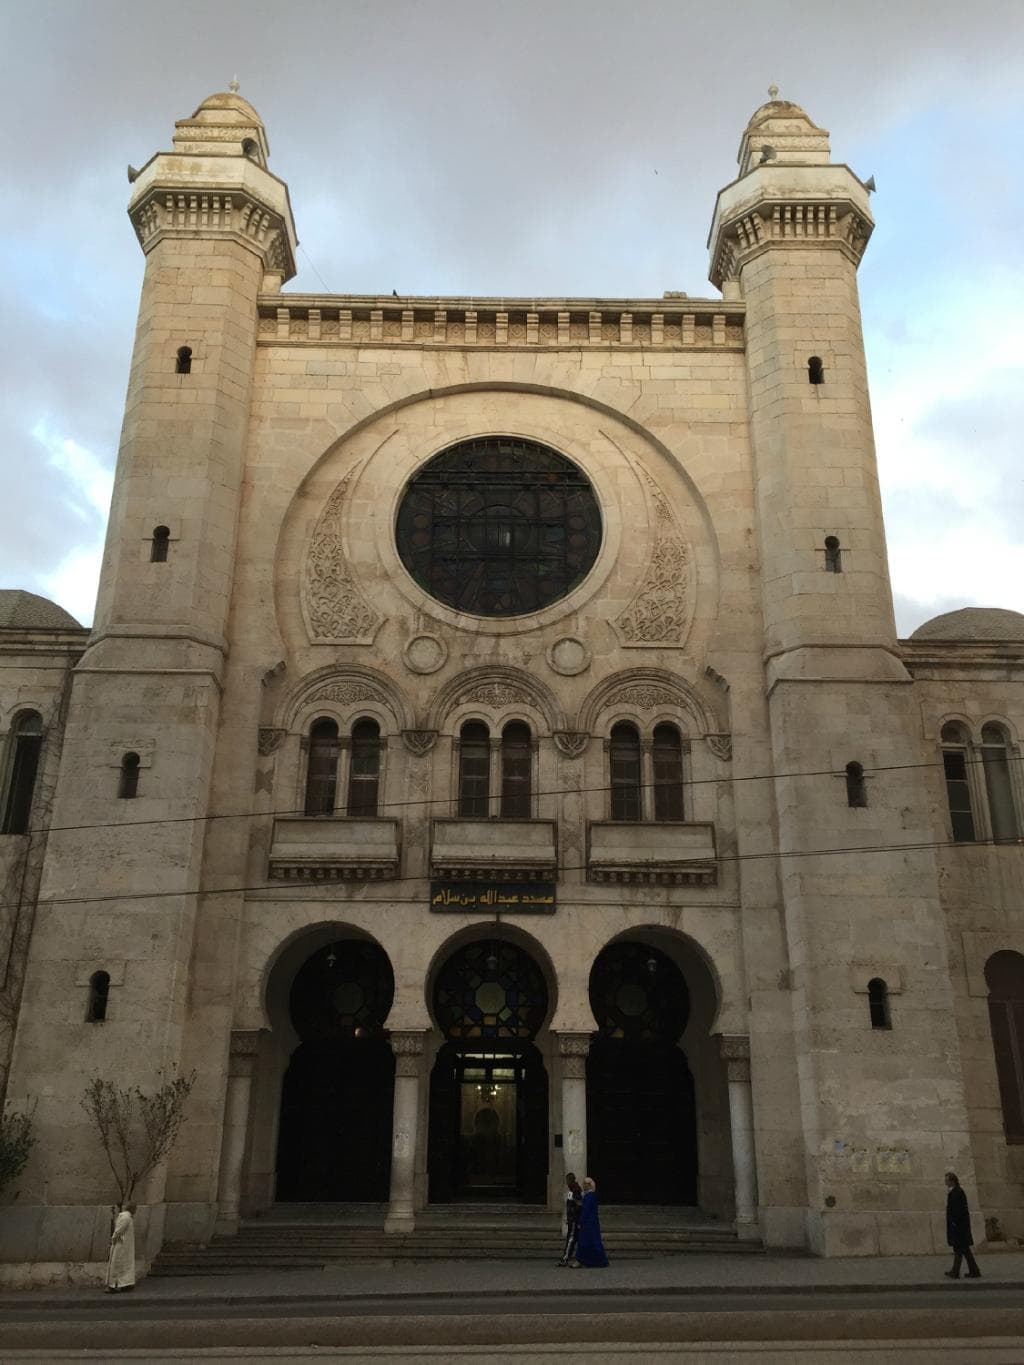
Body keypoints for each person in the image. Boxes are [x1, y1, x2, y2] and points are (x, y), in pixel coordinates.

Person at [944, 1172, 981, 1279]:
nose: (945, 1182)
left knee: (959, 1249)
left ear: (952, 1181)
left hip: (959, 1227)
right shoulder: (956, 1191)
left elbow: (957, 1210)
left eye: (946, 1180)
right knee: (964, 1250)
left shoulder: (956, 1192)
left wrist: (954, 1223)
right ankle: (974, 1271)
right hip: (959, 1226)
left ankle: (955, 1272)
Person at [572, 1175, 609, 1268]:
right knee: (594, 1242)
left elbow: (586, 1211)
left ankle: (581, 1261)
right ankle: (597, 1261)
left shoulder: (589, 1196)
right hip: (593, 1223)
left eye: (585, 1184)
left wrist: (581, 1222)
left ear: (588, 1185)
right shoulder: (592, 1195)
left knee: (584, 1242)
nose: (583, 1185)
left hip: (587, 1223)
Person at [106, 1202, 137, 1292]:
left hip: (125, 1246)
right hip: (121, 1245)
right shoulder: (126, 1218)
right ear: (131, 1208)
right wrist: (113, 1239)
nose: (136, 1210)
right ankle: (115, 1284)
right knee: (118, 1264)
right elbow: (118, 1231)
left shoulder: (128, 1217)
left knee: (125, 1264)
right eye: (135, 1208)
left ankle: (125, 1283)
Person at [558, 1171, 582, 1266]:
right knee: (573, 1239)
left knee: (571, 1239)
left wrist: (572, 1218)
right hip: (573, 1219)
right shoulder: (572, 1190)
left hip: (574, 1220)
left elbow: (577, 1206)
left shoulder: (575, 1190)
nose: (567, 1183)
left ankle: (566, 1257)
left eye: (567, 1180)